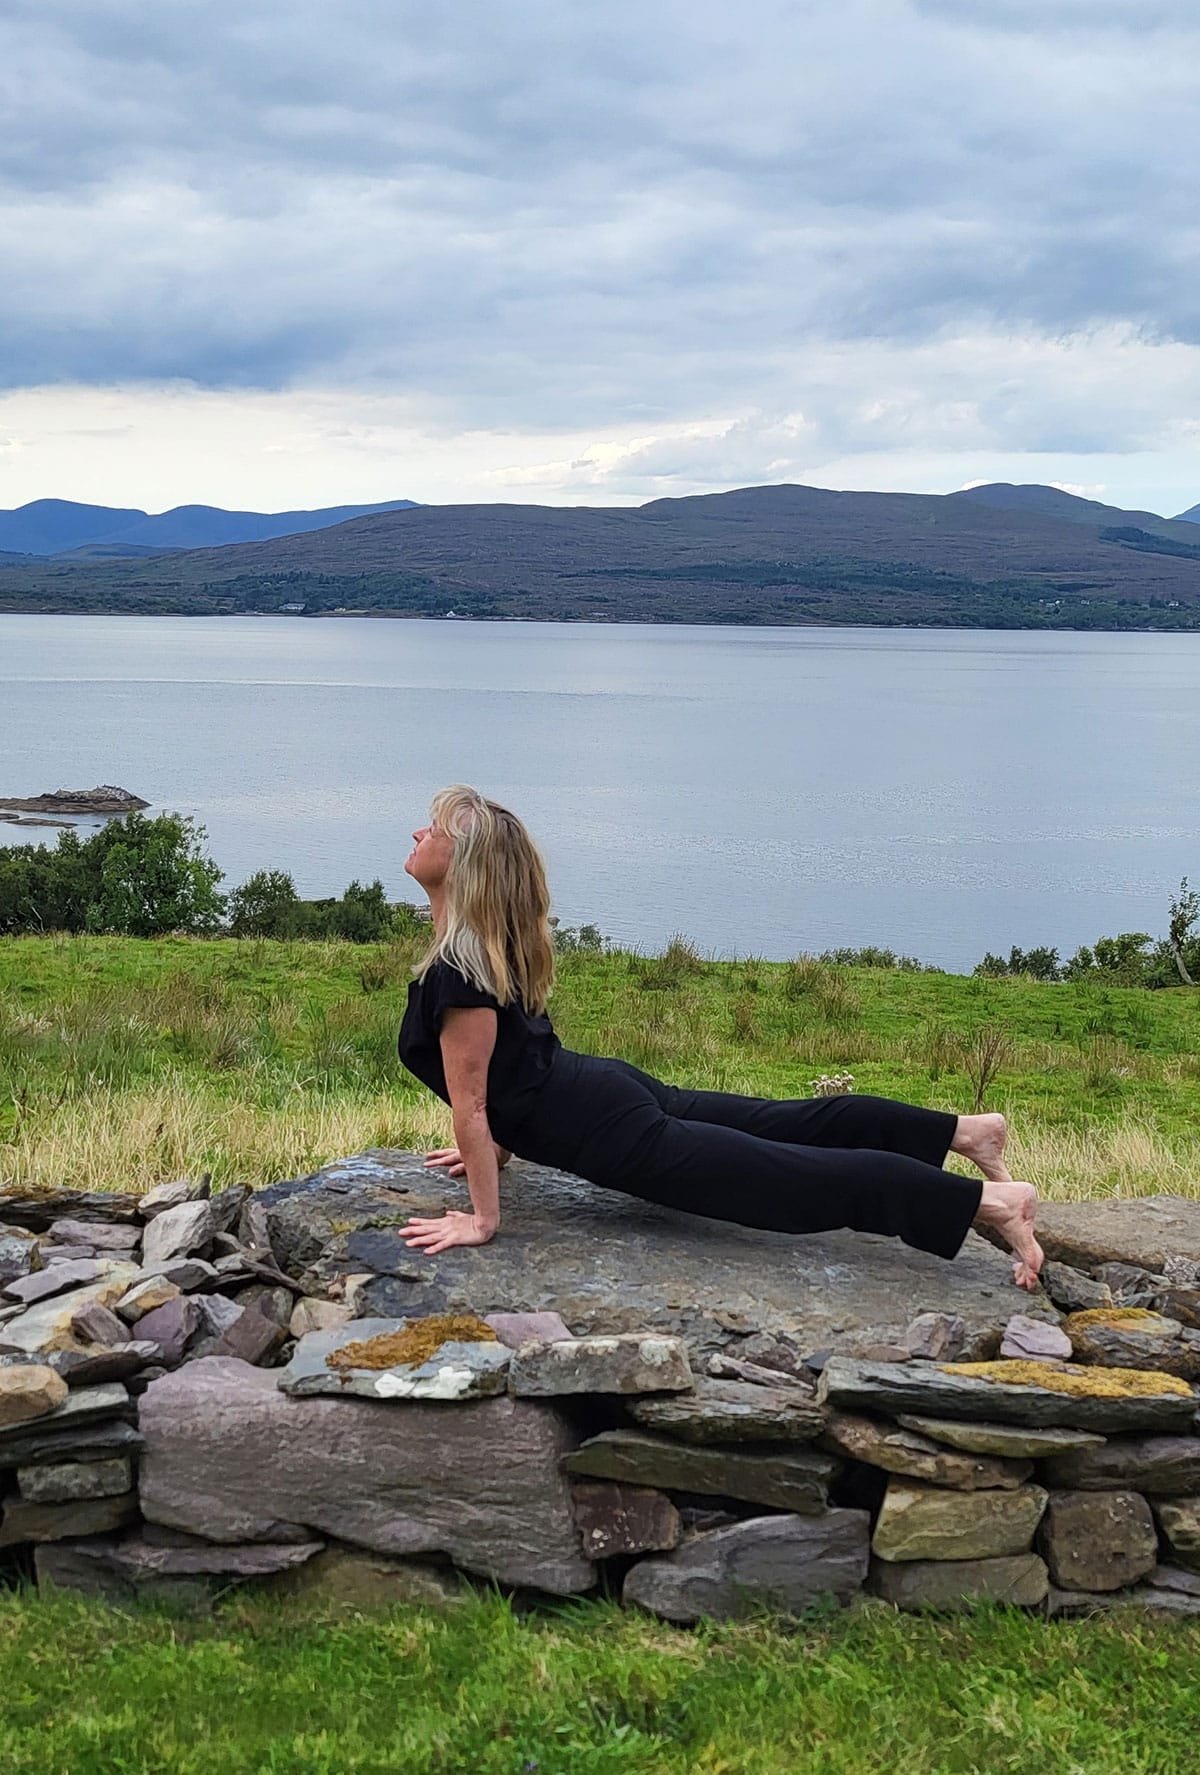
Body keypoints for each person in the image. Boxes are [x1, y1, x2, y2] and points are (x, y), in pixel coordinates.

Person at [396, 785, 1044, 1291]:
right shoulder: (485, 950)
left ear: (465, 866)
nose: (420, 831)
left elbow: (474, 1107)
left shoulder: (460, 969)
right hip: (605, 1093)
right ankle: (966, 1133)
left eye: (438, 829)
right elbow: (516, 1068)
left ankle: (991, 1203)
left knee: (791, 1177)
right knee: (792, 1128)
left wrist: (483, 1220)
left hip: (613, 1129)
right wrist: (502, 1149)